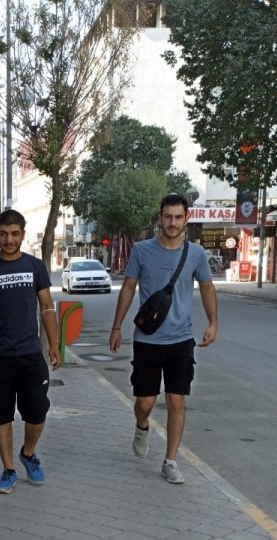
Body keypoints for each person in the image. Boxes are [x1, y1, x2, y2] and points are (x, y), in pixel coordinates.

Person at [109, 194, 218, 484]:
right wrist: (117, 326)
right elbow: (129, 287)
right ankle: (142, 425)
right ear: (160, 218)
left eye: (178, 217)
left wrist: (213, 323)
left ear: (186, 219)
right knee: (144, 402)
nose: (172, 222)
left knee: (175, 401)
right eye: (167, 216)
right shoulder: (142, 251)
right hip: (147, 340)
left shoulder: (195, 254)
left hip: (181, 340)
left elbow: (207, 288)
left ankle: (170, 460)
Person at [0, 209, 60, 494]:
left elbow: (46, 306)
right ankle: (8, 470)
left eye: (14, 233)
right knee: (1, 415)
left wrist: (54, 345)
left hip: (31, 354)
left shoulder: (35, 267)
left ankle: (28, 453)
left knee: (37, 414)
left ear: (22, 233)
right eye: (3, 234)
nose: (9, 239)